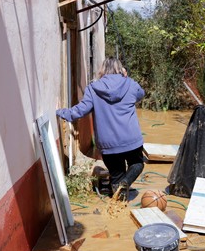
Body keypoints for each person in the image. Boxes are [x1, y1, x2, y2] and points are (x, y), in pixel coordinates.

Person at [56, 57, 145, 201]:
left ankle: (118, 198)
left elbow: (80, 111)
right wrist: (126, 77)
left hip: (108, 143)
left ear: (103, 69)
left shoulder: (93, 88)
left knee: (116, 176)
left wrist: (61, 112)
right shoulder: (130, 83)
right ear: (120, 69)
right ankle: (125, 184)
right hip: (131, 139)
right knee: (137, 164)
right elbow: (141, 94)